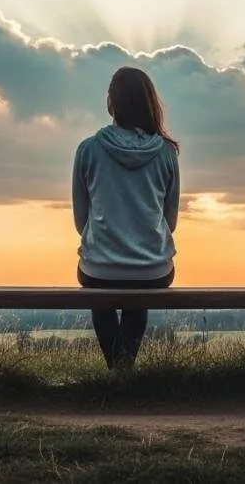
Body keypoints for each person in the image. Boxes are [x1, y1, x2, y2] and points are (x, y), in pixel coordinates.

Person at [71, 66, 181, 370]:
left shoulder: (88, 150)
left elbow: (81, 221)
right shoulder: (167, 153)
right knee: (139, 291)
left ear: (111, 103)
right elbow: (170, 222)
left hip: (99, 268)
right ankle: (123, 372)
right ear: (149, 102)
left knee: (96, 290)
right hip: (153, 269)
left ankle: (118, 372)